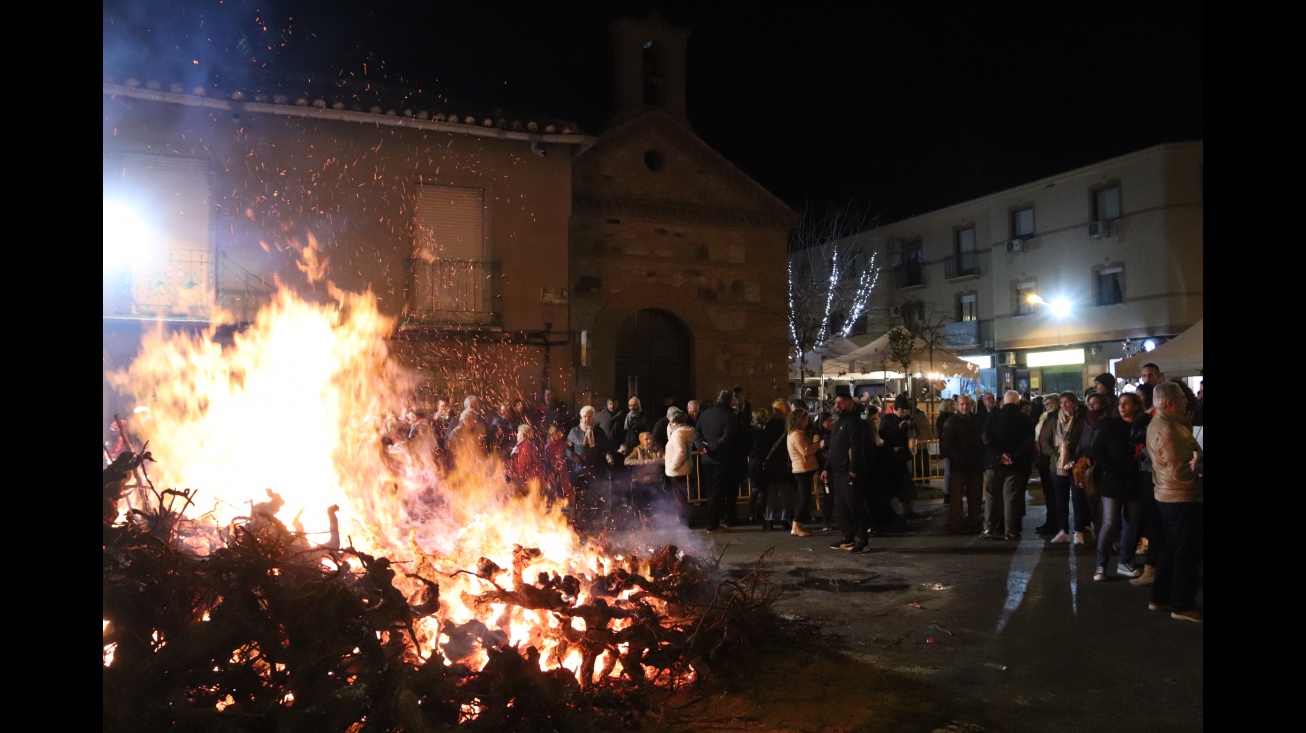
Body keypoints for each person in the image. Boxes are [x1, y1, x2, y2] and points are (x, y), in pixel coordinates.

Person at [1145, 381, 1203, 622]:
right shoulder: (1168, 429)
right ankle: (1181, 603)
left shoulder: (1167, 424)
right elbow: (1180, 469)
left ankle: (1160, 596)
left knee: (1171, 549)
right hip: (1180, 496)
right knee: (1185, 551)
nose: (1185, 400)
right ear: (1169, 402)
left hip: (1169, 495)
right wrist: (1199, 467)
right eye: (1181, 397)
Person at [1079, 392, 1136, 581]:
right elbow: (1097, 450)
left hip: (1135, 480)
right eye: (1120, 403)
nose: (1122, 407)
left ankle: (1125, 561)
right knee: (1110, 522)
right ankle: (1100, 565)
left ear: (1135, 406)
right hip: (1112, 481)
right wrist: (1110, 468)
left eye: (1126, 403)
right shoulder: (1111, 426)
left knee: (1132, 522)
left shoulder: (1141, 427)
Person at [982, 390, 1035, 540]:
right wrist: (1013, 456)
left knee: (991, 496)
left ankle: (988, 528)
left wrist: (1000, 454)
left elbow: (986, 437)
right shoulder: (1025, 419)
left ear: (1003, 402)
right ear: (1018, 402)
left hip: (993, 462)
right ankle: (1010, 531)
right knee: (1010, 497)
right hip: (1015, 464)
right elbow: (1028, 442)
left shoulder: (992, 416)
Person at [821, 394, 872, 553]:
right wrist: (826, 467)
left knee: (854, 506)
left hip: (848, 472)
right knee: (841, 506)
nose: (838, 405)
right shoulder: (838, 424)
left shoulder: (854, 424)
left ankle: (862, 539)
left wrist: (853, 470)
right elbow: (833, 447)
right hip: (837, 472)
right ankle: (847, 535)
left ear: (850, 404)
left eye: (841, 402)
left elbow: (855, 448)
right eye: (836, 402)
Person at [695, 390, 741, 533]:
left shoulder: (705, 413)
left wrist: (702, 447)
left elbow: (696, 432)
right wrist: (712, 447)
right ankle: (713, 524)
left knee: (711, 491)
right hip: (721, 458)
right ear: (730, 400)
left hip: (706, 458)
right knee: (717, 492)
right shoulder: (729, 416)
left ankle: (713, 522)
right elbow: (728, 437)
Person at [1048, 391, 1090, 545]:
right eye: (1061, 402)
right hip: (1057, 465)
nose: (1064, 405)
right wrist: (1057, 454)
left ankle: (1078, 530)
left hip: (1077, 464)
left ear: (1075, 403)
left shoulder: (1083, 417)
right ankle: (1063, 530)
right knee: (1060, 499)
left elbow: (1086, 438)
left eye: (1067, 402)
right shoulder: (1053, 418)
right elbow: (1045, 440)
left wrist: (1074, 454)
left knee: (1078, 497)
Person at [939, 394, 984, 533]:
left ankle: (974, 520)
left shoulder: (976, 421)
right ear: (957, 406)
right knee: (956, 497)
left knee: (975, 496)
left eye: (966, 404)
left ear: (970, 405)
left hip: (974, 464)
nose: (964, 407)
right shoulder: (952, 422)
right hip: (959, 465)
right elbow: (948, 444)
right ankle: (957, 522)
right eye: (962, 404)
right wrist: (960, 457)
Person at [785, 407, 821, 537]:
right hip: (802, 468)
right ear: (798, 420)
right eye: (805, 420)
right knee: (803, 498)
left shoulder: (794, 433)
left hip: (803, 468)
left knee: (803, 497)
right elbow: (805, 451)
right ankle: (796, 524)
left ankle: (798, 524)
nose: (807, 422)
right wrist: (818, 444)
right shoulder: (797, 434)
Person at [1033, 394, 1061, 537]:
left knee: (1053, 494)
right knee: (1048, 494)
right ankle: (1050, 522)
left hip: (1050, 459)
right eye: (1045, 403)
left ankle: (1054, 523)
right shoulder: (1045, 417)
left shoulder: (1055, 418)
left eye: (1049, 403)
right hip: (1043, 460)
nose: (1046, 405)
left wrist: (1050, 453)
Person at [663, 410, 696, 525]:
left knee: (680, 498)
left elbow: (680, 452)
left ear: (675, 423)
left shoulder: (678, 434)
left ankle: (683, 521)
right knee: (685, 496)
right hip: (684, 469)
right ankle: (687, 518)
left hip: (678, 471)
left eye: (671, 423)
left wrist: (673, 467)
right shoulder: (684, 431)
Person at [935, 398, 957, 502]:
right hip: (948, 448)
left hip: (946, 448)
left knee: (950, 470)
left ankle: (948, 492)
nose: (953, 406)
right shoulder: (948, 418)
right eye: (951, 404)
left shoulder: (941, 418)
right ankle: (947, 492)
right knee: (948, 471)